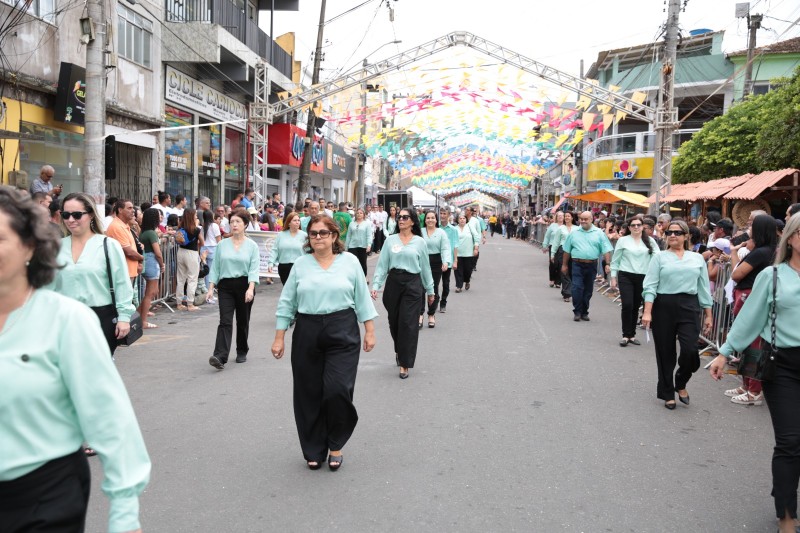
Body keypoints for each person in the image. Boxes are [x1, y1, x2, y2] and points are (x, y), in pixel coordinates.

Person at [0, 186, 150, 532]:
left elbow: (110, 415)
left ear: (28, 246)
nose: (70, 220)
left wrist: (125, 514)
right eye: (64, 215)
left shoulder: (64, 320)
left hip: (42, 495)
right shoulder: (63, 251)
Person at [709, 213, 800, 533]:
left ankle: (784, 489)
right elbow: (750, 317)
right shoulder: (773, 276)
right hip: (785, 365)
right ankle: (787, 513)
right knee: (790, 442)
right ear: (790, 238)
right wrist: (724, 351)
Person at [272, 215, 377, 471]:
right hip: (307, 329)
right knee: (308, 392)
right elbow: (287, 302)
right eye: (313, 233)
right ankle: (313, 448)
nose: (318, 237)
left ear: (334, 236)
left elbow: (362, 297)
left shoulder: (350, 262)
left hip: (342, 328)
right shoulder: (301, 264)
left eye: (323, 233)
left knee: (337, 389)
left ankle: (336, 444)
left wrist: (370, 330)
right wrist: (279, 336)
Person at [642, 220, 713, 410]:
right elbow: (650, 285)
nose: (672, 235)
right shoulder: (659, 257)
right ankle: (667, 393)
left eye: (677, 232)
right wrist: (647, 312)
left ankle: (680, 381)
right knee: (665, 353)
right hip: (663, 305)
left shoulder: (697, 258)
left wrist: (709, 314)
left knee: (690, 351)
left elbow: (704, 288)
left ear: (686, 236)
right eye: (669, 232)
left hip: (689, 306)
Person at [53, 192, 135, 357]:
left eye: (76, 215)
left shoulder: (108, 245)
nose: (70, 220)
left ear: (90, 214)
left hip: (100, 317)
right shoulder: (56, 247)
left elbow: (122, 283)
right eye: (66, 215)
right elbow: (49, 287)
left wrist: (124, 317)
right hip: (65, 319)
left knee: (97, 370)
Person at [371, 207, 435, 379]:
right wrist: (376, 285)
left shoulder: (420, 242)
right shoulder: (390, 241)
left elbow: (426, 268)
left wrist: (430, 290)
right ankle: (400, 350)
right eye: (400, 217)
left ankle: (405, 363)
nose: (401, 219)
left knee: (408, 323)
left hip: (413, 285)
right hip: (394, 283)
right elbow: (382, 265)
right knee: (395, 322)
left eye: (405, 217)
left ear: (413, 221)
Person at [723, 214, 778, 406]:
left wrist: (733, 253)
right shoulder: (768, 251)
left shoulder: (762, 252)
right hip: (750, 296)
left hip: (749, 296)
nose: (748, 227)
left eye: (752, 225)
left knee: (753, 344)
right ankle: (747, 385)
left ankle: (754, 390)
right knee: (748, 343)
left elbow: (737, 274)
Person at [206, 209, 260, 369]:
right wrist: (210, 288)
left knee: (242, 321)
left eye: (238, 222)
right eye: (232, 222)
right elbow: (215, 267)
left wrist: (251, 288)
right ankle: (220, 356)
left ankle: (242, 350)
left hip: (245, 285)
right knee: (225, 321)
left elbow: (254, 269)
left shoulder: (252, 246)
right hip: (226, 287)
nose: (234, 225)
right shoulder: (222, 245)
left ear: (245, 225)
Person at [610, 217, 660, 346]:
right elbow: (616, 260)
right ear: (629, 227)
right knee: (627, 304)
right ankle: (625, 335)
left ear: (643, 226)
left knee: (635, 306)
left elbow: (658, 258)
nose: (636, 227)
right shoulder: (623, 240)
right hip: (625, 275)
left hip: (643, 277)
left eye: (639, 225)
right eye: (633, 225)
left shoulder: (650, 241)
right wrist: (613, 277)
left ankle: (632, 334)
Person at [561, 211, 612, 321]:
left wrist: (607, 264)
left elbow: (606, 249)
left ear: (591, 219)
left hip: (592, 265)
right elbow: (567, 250)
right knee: (576, 288)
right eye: (581, 219)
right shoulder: (574, 233)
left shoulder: (599, 233)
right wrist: (564, 265)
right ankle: (577, 311)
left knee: (588, 290)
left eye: (586, 219)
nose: (583, 221)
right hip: (576, 264)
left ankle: (585, 311)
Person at [421, 209, 451, 328]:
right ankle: (420, 314)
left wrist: (445, 261)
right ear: (425, 220)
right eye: (428, 218)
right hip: (421, 261)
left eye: (432, 218)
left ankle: (431, 314)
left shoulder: (441, 232)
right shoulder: (420, 232)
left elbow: (445, 248)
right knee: (420, 289)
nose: (430, 220)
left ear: (436, 219)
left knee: (433, 288)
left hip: (435, 261)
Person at [106, 199, 144, 286]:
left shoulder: (125, 225)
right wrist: (141, 258)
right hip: (123, 274)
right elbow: (129, 252)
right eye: (129, 208)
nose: (133, 210)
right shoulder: (117, 227)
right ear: (120, 210)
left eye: (132, 208)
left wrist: (139, 262)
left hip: (129, 272)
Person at [138, 208, 165, 329]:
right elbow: (158, 252)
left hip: (147, 260)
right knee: (150, 293)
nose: (160, 218)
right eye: (158, 216)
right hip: (151, 261)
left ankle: (136, 316)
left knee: (153, 292)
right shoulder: (151, 233)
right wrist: (162, 264)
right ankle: (143, 321)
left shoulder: (145, 232)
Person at [175, 208, 204, 311]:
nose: (196, 216)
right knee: (192, 278)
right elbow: (202, 242)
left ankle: (179, 303)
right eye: (195, 214)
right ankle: (190, 304)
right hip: (191, 253)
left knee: (180, 278)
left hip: (181, 252)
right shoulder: (195, 229)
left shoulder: (180, 227)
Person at [268, 212, 307, 284]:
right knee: (287, 290)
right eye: (295, 220)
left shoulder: (304, 235)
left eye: (298, 220)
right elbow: (275, 250)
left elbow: (309, 252)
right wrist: (271, 263)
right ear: (289, 223)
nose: (297, 222)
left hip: (299, 267)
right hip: (284, 267)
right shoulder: (281, 235)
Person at [552, 211, 577, 302]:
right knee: (564, 271)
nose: (566, 217)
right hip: (562, 250)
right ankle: (567, 293)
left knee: (571, 272)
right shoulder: (561, 228)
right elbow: (556, 242)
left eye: (568, 216)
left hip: (574, 252)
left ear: (572, 218)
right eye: (565, 216)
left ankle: (565, 290)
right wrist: (552, 253)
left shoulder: (577, 228)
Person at [453, 213, 479, 292]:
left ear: (466, 220)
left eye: (463, 218)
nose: (462, 220)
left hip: (469, 253)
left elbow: (476, 237)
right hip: (457, 253)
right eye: (460, 218)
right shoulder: (454, 229)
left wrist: (476, 248)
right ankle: (459, 286)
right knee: (458, 270)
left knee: (468, 270)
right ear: (457, 220)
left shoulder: (470, 227)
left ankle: (467, 281)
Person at [439, 207, 458, 313]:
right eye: (441, 213)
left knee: (446, 283)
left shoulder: (453, 230)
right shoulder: (436, 228)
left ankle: (443, 302)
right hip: (437, 259)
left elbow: (455, 245)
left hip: (448, 260)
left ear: (449, 215)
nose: (442, 215)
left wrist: (455, 260)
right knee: (434, 283)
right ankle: (435, 300)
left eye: (444, 213)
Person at [345, 207, 373, 276]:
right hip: (352, 246)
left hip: (363, 246)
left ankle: (364, 277)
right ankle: (354, 277)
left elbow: (369, 235)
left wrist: (369, 245)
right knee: (353, 263)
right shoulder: (351, 224)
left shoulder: (367, 224)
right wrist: (346, 247)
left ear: (363, 215)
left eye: (361, 213)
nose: (359, 214)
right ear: (355, 214)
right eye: (357, 213)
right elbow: (348, 236)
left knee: (363, 263)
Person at [201, 209, 222, 291]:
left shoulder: (202, 226)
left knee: (204, 272)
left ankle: (205, 290)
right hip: (213, 248)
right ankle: (209, 291)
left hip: (204, 249)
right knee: (211, 272)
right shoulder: (214, 226)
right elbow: (218, 240)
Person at [541, 212, 562, 288]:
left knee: (560, 264)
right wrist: (544, 245)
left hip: (562, 247)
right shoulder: (553, 226)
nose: (560, 217)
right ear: (556, 217)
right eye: (559, 216)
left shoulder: (565, 226)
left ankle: (558, 281)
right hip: (552, 246)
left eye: (562, 216)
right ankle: (552, 279)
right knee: (553, 263)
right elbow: (547, 236)